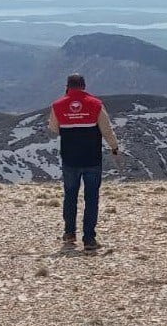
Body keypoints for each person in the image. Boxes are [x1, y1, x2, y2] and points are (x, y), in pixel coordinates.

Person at [47, 73, 121, 252]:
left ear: (67, 86)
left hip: (70, 159)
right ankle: (89, 238)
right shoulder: (96, 104)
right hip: (92, 159)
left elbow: (53, 128)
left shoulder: (58, 105)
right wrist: (114, 147)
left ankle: (69, 232)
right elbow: (106, 129)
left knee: (70, 195)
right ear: (84, 85)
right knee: (91, 198)